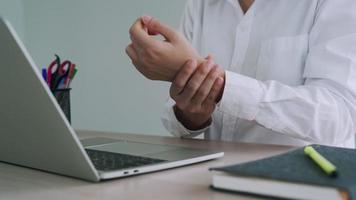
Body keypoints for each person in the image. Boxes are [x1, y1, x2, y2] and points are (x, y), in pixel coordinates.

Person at [126, 0, 356, 148]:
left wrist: (221, 87)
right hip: (212, 180)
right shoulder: (200, 5)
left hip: (306, 183)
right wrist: (193, 113)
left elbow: (340, 116)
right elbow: (176, 124)